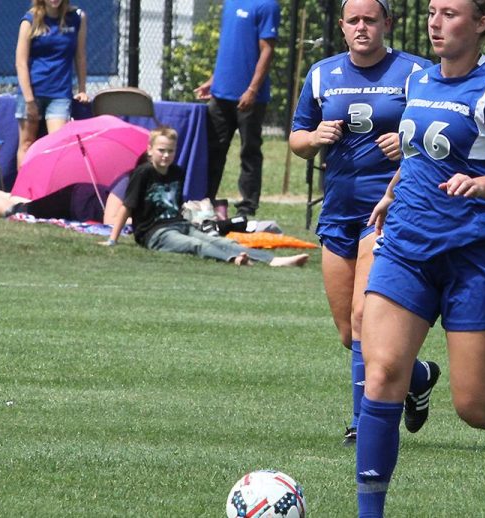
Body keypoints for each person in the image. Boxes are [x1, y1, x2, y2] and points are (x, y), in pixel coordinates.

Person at [355, 0, 485, 515]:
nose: (435, 21)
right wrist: (391, 192)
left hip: (473, 259)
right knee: (382, 375)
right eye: (432, 10)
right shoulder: (420, 81)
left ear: (480, 24)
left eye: (450, 12)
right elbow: (417, 155)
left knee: (476, 408)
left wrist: (481, 183)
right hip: (406, 248)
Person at [289, 0, 441, 446]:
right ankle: (417, 375)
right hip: (338, 213)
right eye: (353, 20)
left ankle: (363, 424)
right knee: (348, 333)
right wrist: (314, 138)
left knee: (362, 318)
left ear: (387, 24)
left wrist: (407, 143)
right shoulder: (321, 74)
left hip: (390, 211)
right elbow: (298, 137)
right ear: (341, 27)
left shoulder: (416, 73)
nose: (361, 27)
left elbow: (439, 134)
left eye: (370, 20)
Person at [105, 126, 309, 267]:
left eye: (170, 151)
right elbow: (127, 206)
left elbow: (175, 206)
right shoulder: (143, 173)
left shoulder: (177, 172)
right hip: (154, 234)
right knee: (196, 245)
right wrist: (113, 240)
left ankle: (272, 260)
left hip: (179, 225)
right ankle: (235, 260)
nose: (166, 155)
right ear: (149, 150)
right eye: (161, 150)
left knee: (222, 241)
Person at [194, 0, 280, 217]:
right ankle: (205, 200)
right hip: (221, 93)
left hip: (249, 97)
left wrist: (252, 89)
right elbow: (230, 47)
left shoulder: (267, 5)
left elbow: (267, 50)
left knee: (249, 151)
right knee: (213, 149)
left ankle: (247, 206)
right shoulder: (230, 3)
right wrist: (213, 81)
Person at [14, 0, 88, 167]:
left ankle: (51, 193)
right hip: (31, 93)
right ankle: (24, 192)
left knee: (58, 145)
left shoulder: (77, 17)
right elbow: (21, 62)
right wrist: (29, 100)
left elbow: (80, 56)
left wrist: (82, 89)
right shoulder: (29, 20)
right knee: (27, 145)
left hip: (60, 95)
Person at [0, 175, 127, 225]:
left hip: (79, 203)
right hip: (76, 200)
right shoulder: (130, 180)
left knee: (25, 206)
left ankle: (3, 196)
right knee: (14, 213)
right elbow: (110, 220)